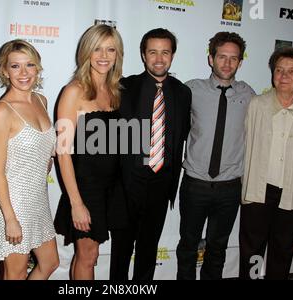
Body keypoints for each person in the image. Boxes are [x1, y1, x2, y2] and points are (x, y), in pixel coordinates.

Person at [239, 47, 293, 280]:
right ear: (272, 73)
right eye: (279, 70)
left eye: (292, 71)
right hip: (258, 192)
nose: (284, 76)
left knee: (282, 250)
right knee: (252, 252)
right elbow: (244, 146)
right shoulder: (257, 104)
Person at [109, 28, 191, 280]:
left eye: (165, 52)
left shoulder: (182, 92)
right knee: (121, 252)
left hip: (160, 184)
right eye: (152, 52)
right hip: (126, 185)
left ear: (173, 56)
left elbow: (181, 136)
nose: (158, 58)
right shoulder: (123, 87)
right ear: (143, 55)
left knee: (148, 250)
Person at [176, 32, 255, 280]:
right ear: (211, 59)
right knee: (188, 244)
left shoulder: (250, 95)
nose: (227, 63)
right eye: (222, 57)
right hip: (195, 184)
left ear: (240, 62)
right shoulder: (190, 90)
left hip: (230, 187)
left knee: (217, 248)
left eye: (234, 58)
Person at [54, 24, 124, 280]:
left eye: (110, 49)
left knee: (88, 256)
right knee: (88, 255)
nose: (104, 56)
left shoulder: (115, 91)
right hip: (85, 188)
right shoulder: (73, 92)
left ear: (118, 54)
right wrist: (76, 203)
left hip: (110, 188)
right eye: (97, 48)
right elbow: (63, 153)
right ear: (86, 52)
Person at [0, 39, 59, 280]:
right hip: (15, 204)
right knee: (15, 274)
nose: (23, 73)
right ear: (4, 71)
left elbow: (43, 152)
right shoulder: (2, 111)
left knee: (50, 263)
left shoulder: (41, 101)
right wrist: (10, 218)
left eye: (29, 65)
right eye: (15, 66)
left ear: (37, 68)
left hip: (39, 200)